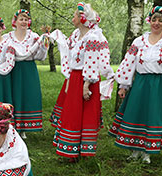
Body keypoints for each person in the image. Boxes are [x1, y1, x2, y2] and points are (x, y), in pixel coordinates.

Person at [109, 6, 162, 164]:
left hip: (160, 85)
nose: (156, 23)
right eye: (154, 19)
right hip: (141, 83)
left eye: (161, 20)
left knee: (152, 117)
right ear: (149, 21)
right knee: (137, 114)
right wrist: (124, 85)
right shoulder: (139, 41)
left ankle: (147, 153)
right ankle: (135, 151)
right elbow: (128, 62)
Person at [48, 2, 114, 161]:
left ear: (83, 18)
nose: (73, 17)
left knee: (83, 113)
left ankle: (81, 151)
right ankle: (71, 150)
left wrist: (86, 85)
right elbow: (68, 51)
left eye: (75, 15)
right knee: (72, 113)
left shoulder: (92, 37)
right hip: (75, 76)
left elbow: (92, 62)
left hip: (85, 80)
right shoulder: (76, 34)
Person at [6, 9, 48, 138]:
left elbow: (40, 56)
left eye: (26, 19)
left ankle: (23, 127)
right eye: (21, 19)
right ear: (15, 21)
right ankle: (13, 126)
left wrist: (44, 42)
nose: (23, 22)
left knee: (27, 95)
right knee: (14, 95)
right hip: (13, 68)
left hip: (29, 69)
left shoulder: (33, 36)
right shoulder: (8, 37)